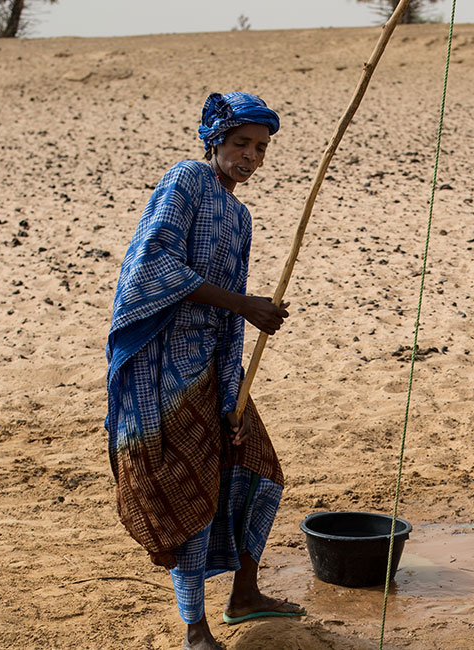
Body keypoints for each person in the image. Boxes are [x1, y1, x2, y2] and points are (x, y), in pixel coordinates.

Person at [105, 91, 304, 650]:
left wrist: (231, 391)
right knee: (188, 495)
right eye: (241, 143)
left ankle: (245, 594)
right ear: (214, 141)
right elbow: (152, 264)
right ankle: (195, 630)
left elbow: (229, 318)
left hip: (210, 366)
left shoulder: (240, 217)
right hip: (159, 368)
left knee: (258, 469)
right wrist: (243, 303)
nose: (251, 156)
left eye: (260, 148)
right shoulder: (186, 179)